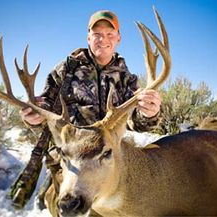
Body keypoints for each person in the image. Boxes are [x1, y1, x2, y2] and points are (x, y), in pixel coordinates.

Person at [20, 10, 162, 210]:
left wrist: (149, 113)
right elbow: (44, 106)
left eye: (109, 34)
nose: (103, 39)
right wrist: (33, 115)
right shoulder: (65, 69)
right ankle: (51, 188)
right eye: (97, 34)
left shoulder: (126, 79)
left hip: (106, 161)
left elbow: (133, 122)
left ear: (118, 39)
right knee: (67, 205)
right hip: (69, 158)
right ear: (88, 37)